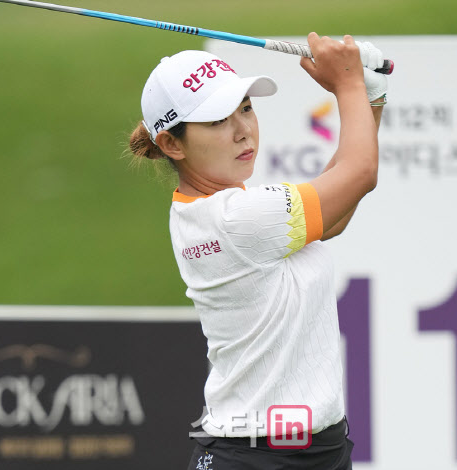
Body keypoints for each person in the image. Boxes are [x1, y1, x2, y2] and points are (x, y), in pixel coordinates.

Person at [129, 32, 387, 469]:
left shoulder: (213, 211)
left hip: (307, 452)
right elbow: (360, 172)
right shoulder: (238, 217)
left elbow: (334, 215)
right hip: (258, 456)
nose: (242, 131)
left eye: (245, 108)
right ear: (172, 144)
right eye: (217, 120)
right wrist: (350, 85)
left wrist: (369, 98)